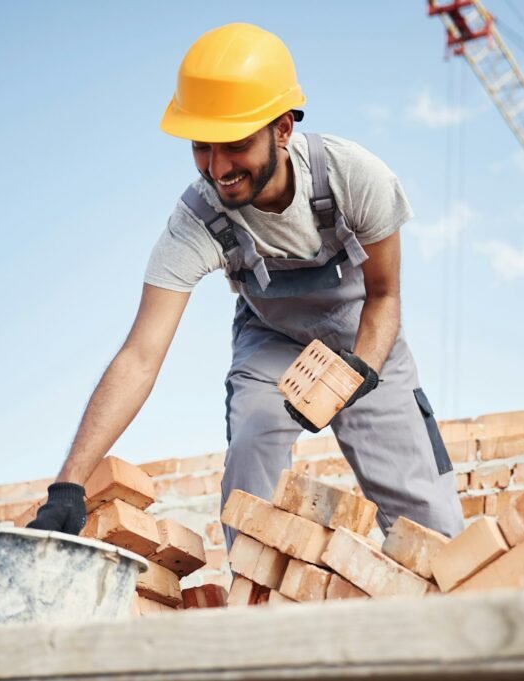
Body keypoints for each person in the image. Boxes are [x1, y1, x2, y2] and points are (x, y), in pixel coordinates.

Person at [29, 23, 464, 544]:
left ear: (282, 129)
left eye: (234, 145)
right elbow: (140, 355)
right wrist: (68, 484)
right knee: (253, 448)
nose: (217, 168)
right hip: (272, 344)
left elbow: (385, 296)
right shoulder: (196, 221)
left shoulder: (354, 177)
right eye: (201, 147)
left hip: (364, 337)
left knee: (431, 522)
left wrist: (361, 370)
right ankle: (256, 602)